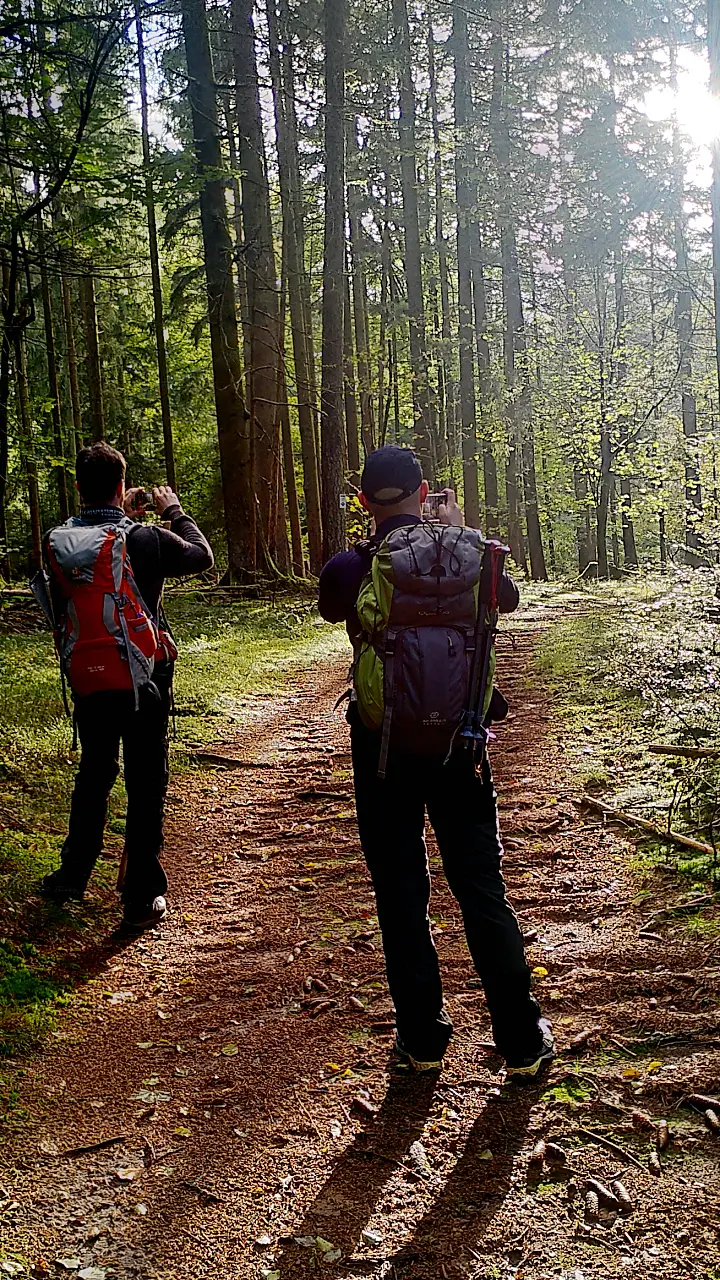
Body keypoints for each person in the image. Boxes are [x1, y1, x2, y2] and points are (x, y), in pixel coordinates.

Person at [318, 445, 554, 1079]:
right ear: (423, 492)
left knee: (400, 892)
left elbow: (332, 605)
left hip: (383, 748)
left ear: (364, 502)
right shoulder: (474, 557)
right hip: (462, 746)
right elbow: (504, 597)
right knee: (481, 888)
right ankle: (522, 1037)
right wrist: (453, 535)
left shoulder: (351, 567)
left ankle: (422, 1040)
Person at [39, 442, 214, 929]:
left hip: (88, 675)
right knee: (145, 780)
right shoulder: (144, 539)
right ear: (122, 486)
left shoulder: (60, 542)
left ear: (77, 487)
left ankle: (72, 876)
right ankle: (139, 897)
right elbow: (202, 556)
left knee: (94, 770)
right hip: (145, 678)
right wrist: (172, 511)